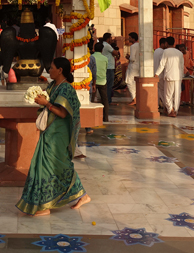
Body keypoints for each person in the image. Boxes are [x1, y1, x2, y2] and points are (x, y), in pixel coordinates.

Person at [17, 57, 89, 216]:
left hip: (59, 134)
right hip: (49, 131)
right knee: (45, 166)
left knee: (58, 165)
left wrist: (46, 104)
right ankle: (78, 195)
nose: (49, 71)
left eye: (51, 68)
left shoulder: (66, 89)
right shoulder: (52, 86)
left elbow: (63, 113)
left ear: (60, 70)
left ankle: (46, 205)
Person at [155, 39, 184, 117]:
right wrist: (181, 77)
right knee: (177, 95)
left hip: (169, 76)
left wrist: (156, 74)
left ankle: (170, 110)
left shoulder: (166, 52)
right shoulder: (179, 53)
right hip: (177, 77)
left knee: (168, 95)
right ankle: (175, 110)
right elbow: (181, 67)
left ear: (167, 43)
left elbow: (162, 64)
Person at [91, 42, 109, 122]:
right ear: (102, 50)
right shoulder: (105, 58)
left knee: (91, 100)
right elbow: (105, 69)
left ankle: (90, 118)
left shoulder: (91, 57)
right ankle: (106, 118)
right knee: (105, 100)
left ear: (94, 49)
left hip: (92, 82)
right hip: (102, 81)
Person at [101, 33, 119, 104]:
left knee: (105, 85)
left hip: (105, 67)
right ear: (108, 38)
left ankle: (105, 100)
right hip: (109, 67)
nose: (112, 39)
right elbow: (116, 53)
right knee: (109, 85)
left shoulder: (103, 45)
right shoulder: (107, 45)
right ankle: (107, 101)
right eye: (111, 38)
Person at [124, 32, 140, 106]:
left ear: (133, 39)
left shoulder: (133, 46)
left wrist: (128, 57)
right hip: (139, 66)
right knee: (135, 82)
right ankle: (136, 98)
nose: (129, 39)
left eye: (130, 38)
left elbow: (132, 58)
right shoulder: (140, 45)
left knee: (129, 81)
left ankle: (134, 99)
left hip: (133, 66)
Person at [154, 37, 168, 109]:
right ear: (162, 44)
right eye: (165, 44)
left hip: (155, 73)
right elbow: (162, 64)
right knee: (162, 90)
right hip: (160, 74)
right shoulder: (162, 52)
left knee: (158, 90)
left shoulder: (156, 51)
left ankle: (157, 104)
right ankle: (165, 105)